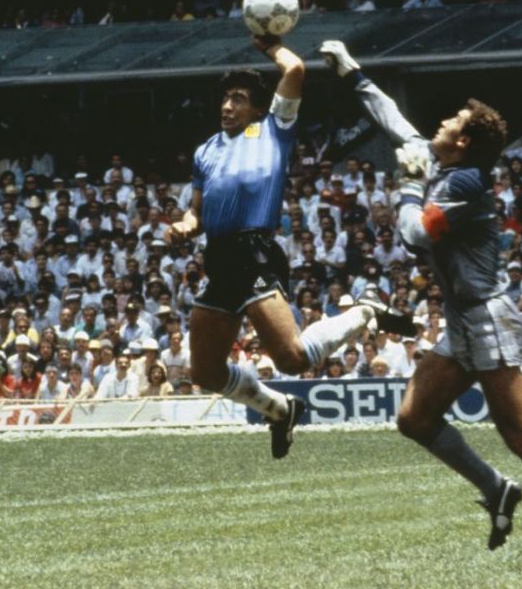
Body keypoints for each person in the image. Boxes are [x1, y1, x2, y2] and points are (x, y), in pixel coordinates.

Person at [320, 40, 522, 588]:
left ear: (465, 140)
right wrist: (352, 71)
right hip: (465, 322)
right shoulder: (444, 161)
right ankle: (498, 489)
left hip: (489, 319)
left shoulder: (466, 183)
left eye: (452, 119)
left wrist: (405, 186)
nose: (442, 121)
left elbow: (412, 236)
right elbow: (396, 123)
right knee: (413, 419)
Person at [164, 35, 408, 459]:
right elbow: (196, 214)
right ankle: (279, 409)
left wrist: (269, 45)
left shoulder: (273, 129)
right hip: (219, 257)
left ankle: (365, 310)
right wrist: (183, 226)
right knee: (204, 370)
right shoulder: (206, 151)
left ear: (257, 107)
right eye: (225, 98)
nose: (227, 106)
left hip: (255, 250)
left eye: (238, 99)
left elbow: (294, 68)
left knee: (293, 359)